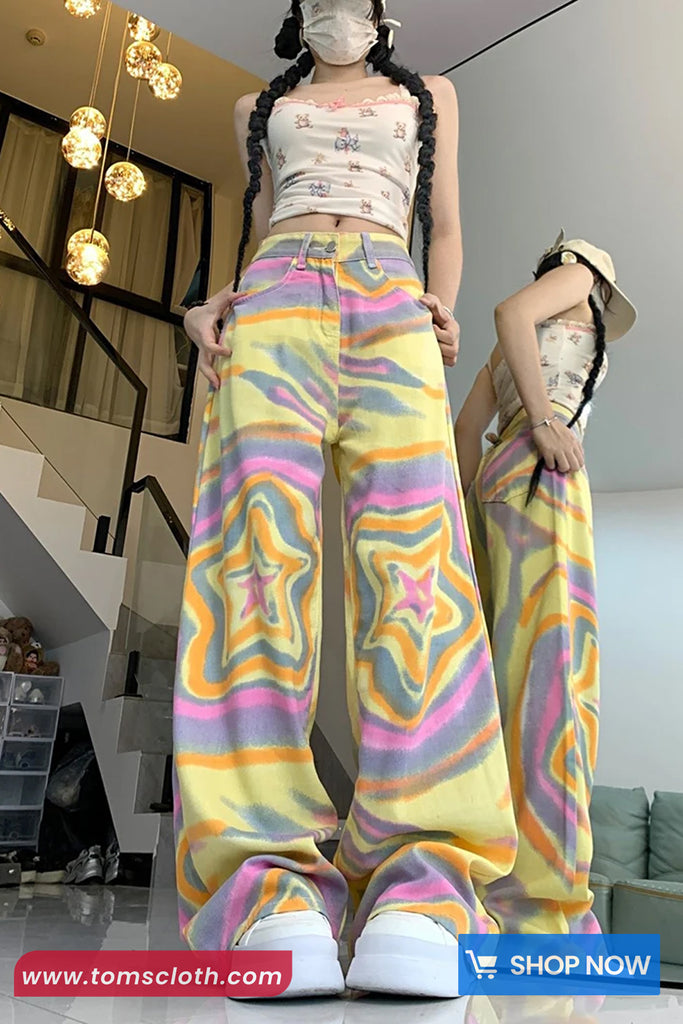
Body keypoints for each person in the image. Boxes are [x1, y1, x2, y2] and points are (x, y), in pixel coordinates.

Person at [175, 0, 517, 998]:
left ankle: (424, 883)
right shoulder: (255, 106)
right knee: (251, 568)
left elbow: (442, 225)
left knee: (419, 572)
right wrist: (210, 306)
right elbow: (255, 232)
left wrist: (441, 305)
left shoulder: (430, 94)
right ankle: (264, 887)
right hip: (272, 299)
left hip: (389, 294)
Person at [455, 231, 636, 934]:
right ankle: (542, 904)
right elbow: (509, 309)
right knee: (556, 683)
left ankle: (492, 879)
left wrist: (473, 513)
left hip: (500, 487)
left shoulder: (503, 358)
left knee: (507, 682)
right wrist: (543, 422)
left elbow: (465, 430)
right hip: (544, 476)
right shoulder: (577, 278)